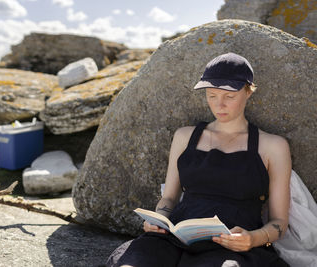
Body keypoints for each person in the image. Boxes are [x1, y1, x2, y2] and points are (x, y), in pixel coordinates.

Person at [110, 52, 291, 267]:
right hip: (173, 239)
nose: (219, 105)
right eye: (211, 95)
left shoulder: (273, 146)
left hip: (232, 247)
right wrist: (158, 221)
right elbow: (169, 198)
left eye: (229, 97)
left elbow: (280, 222)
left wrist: (253, 239)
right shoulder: (184, 136)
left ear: (248, 91)